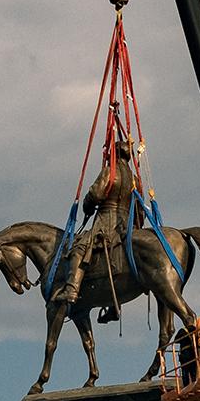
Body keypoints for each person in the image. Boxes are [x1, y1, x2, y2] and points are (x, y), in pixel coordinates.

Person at [54, 125, 138, 308]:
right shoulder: (135, 179)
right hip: (127, 225)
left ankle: (71, 289)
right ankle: (112, 305)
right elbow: (139, 207)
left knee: (79, 246)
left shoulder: (110, 171)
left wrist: (87, 205)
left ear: (113, 155)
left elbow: (96, 194)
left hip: (107, 221)